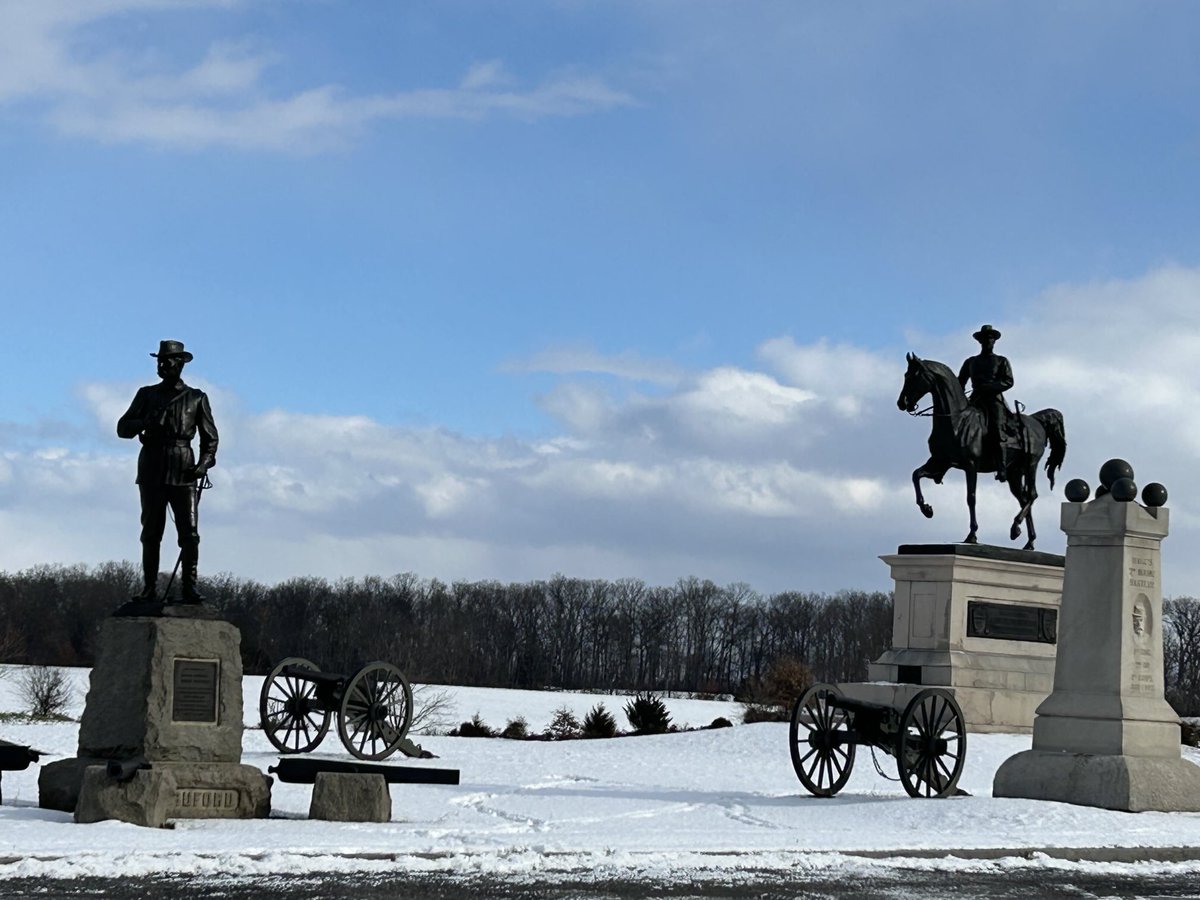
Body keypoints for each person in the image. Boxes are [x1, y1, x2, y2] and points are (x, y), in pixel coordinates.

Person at [116, 340, 218, 608]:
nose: (162, 365)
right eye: (159, 361)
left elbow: (210, 438)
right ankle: (149, 589)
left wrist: (203, 464)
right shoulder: (146, 395)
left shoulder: (196, 398)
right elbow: (122, 428)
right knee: (151, 532)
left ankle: (189, 588)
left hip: (184, 468)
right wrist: (145, 422)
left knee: (190, 534)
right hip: (152, 466)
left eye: (167, 361)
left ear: (180, 363)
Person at [958, 324, 1014, 481]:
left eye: (991, 338)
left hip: (994, 401)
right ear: (980, 341)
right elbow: (960, 382)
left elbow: (1008, 381)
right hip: (975, 400)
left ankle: (1001, 468)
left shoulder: (1001, 361)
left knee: (997, 429)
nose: (988, 341)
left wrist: (990, 387)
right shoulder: (971, 362)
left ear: (994, 341)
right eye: (985, 339)